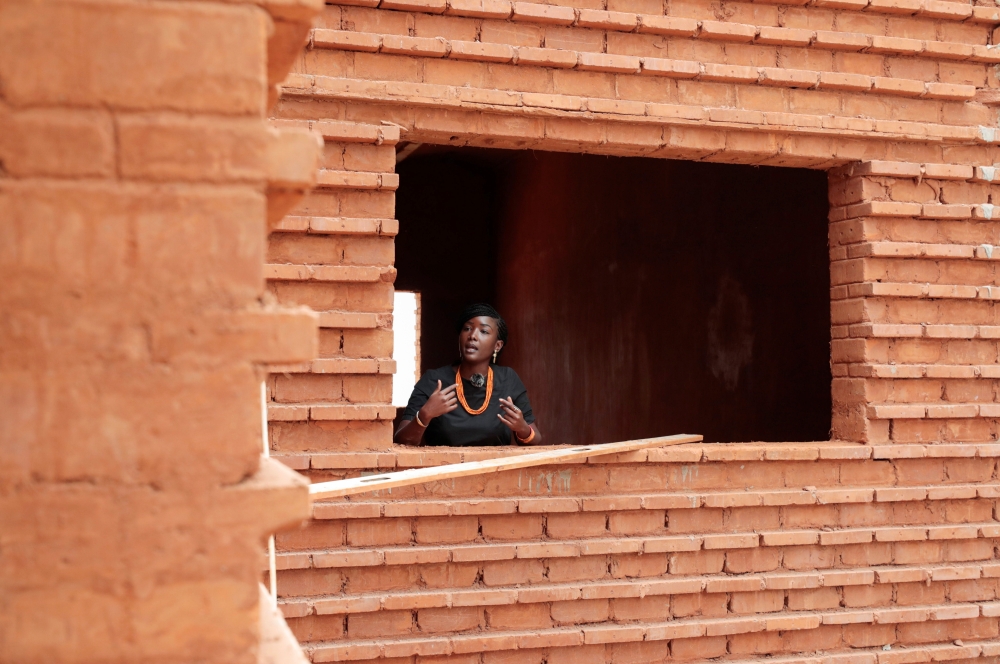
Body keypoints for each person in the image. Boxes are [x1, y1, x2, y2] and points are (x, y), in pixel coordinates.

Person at [394, 303, 543, 447]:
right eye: (467, 329)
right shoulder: (433, 380)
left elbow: (535, 439)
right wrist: (425, 414)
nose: (472, 336)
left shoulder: (508, 379)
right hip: (446, 471)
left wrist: (522, 427)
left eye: (483, 331)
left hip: (496, 471)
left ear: (497, 345)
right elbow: (402, 440)